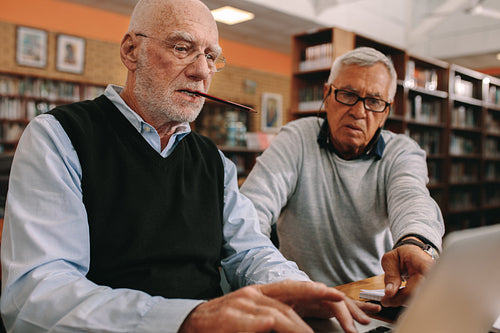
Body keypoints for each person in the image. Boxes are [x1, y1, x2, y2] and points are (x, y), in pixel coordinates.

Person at [0, 1, 382, 332]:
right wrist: (188, 320)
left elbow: (249, 251)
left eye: (211, 56)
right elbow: (36, 296)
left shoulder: (213, 160)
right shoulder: (59, 137)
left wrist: (300, 288)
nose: (202, 71)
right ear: (131, 51)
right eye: (183, 48)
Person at [240, 47, 445, 308]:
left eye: (374, 101)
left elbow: (412, 198)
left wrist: (416, 244)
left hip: (374, 298)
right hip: (301, 296)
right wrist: (287, 285)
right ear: (327, 95)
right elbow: (250, 214)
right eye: (348, 94)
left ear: (386, 112)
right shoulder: (296, 138)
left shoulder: (402, 151)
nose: (359, 112)